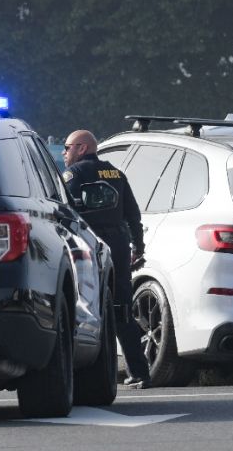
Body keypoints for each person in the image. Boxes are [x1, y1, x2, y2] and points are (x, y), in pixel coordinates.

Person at [61, 130, 152, 389]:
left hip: (88, 245)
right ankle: (139, 373)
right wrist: (139, 247)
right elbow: (133, 214)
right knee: (121, 309)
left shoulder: (73, 175)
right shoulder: (116, 173)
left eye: (67, 148)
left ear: (81, 148)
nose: (64, 153)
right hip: (118, 247)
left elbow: (62, 211)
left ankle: (90, 375)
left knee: (84, 307)